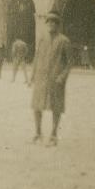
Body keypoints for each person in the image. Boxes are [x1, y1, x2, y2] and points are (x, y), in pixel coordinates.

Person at [30, 12, 72, 147]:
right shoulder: (42, 39)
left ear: (58, 25)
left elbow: (69, 62)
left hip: (56, 79)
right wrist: (32, 76)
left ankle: (54, 134)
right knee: (37, 106)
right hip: (41, 78)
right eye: (49, 22)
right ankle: (38, 132)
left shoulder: (64, 41)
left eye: (54, 22)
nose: (51, 25)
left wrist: (62, 76)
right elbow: (36, 58)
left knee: (56, 107)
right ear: (46, 24)